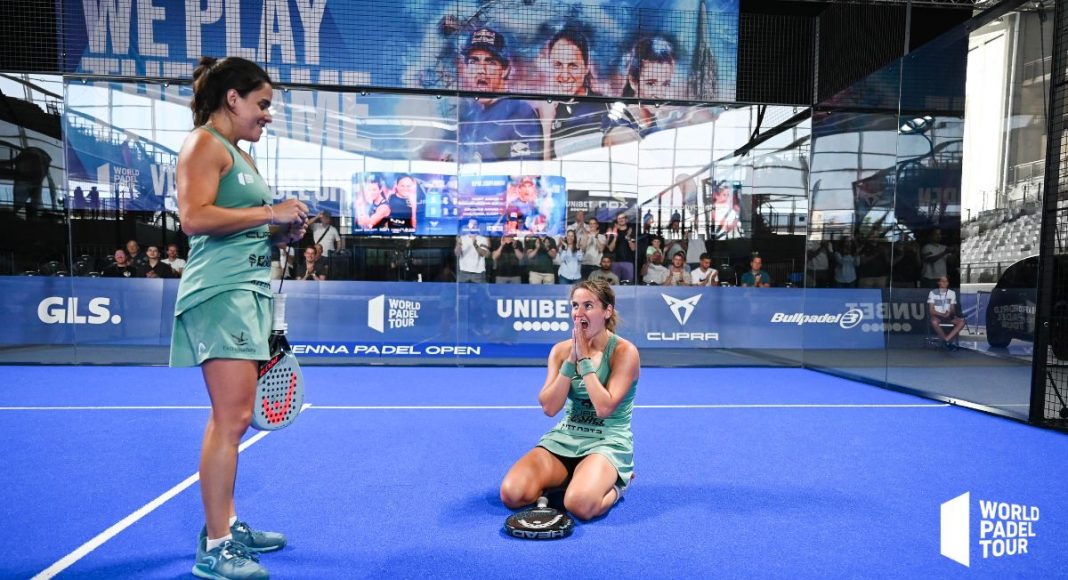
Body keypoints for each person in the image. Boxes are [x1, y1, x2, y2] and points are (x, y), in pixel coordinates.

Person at [169, 56, 308, 579]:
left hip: (247, 293)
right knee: (230, 420)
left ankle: (225, 522)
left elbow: (236, 226)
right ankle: (216, 547)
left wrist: (278, 234)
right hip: (219, 293)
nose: (267, 114)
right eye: (262, 104)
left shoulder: (239, 154)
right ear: (233, 99)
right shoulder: (204, 144)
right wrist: (271, 213)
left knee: (238, 418)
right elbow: (194, 217)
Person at [499, 279, 639, 521]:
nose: (579, 313)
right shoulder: (561, 351)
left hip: (607, 441)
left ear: (607, 311)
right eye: (575, 305)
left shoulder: (624, 352)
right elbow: (549, 407)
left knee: (580, 505)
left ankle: (619, 486)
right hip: (565, 438)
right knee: (513, 494)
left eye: (588, 306)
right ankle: (573, 479)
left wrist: (583, 360)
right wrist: (571, 359)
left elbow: (604, 408)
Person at [458, 27, 543, 163]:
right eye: (474, 61)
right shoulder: (470, 114)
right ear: (466, 69)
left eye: (490, 62)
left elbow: (525, 167)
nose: (481, 70)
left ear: (505, 70)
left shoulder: (520, 112)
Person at [541, 25, 611, 158]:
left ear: (586, 67)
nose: (565, 75)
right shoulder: (545, 110)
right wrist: (546, 125)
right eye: (558, 65)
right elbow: (544, 167)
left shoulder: (605, 106)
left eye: (573, 66)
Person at [928, 275, 965, 349]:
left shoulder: (952, 293)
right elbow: (931, 310)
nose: (944, 283)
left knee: (962, 322)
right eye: (942, 281)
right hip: (937, 315)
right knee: (934, 322)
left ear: (948, 283)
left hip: (948, 315)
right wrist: (941, 314)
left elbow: (952, 309)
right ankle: (947, 341)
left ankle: (946, 340)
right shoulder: (932, 293)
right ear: (939, 283)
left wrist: (949, 312)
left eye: (946, 281)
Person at [606, 212, 637, 284]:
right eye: (619, 218)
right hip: (615, 262)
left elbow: (633, 248)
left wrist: (628, 237)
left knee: (628, 285)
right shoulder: (613, 231)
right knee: (615, 285)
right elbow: (610, 249)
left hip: (628, 262)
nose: (621, 219)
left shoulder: (631, 231)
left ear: (626, 219)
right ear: (617, 220)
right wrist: (615, 236)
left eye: (623, 217)